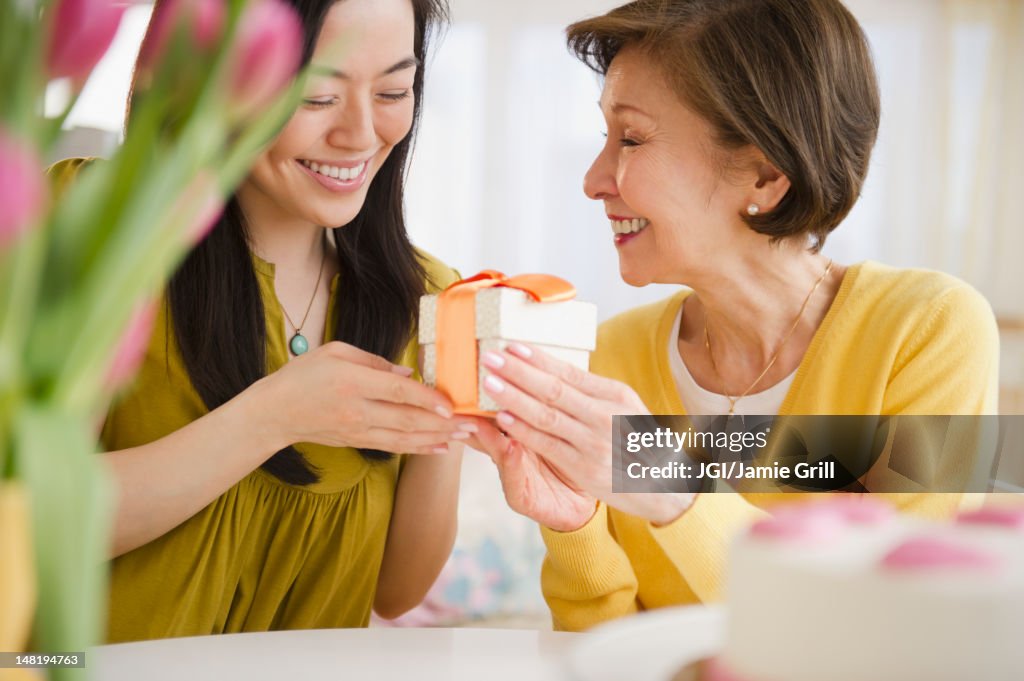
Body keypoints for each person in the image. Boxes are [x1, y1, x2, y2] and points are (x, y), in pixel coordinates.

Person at [468, 0, 999, 632]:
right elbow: (604, 646)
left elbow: (906, 628)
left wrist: (672, 490)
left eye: (632, 138)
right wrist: (573, 524)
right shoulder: (615, 353)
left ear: (766, 176)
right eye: (605, 137)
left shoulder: (928, 329)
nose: (592, 179)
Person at [48, 0, 475, 643]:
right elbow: (36, 525)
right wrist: (273, 414)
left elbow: (397, 589)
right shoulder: (101, 226)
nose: (360, 134)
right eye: (315, 97)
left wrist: (454, 419)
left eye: (393, 90)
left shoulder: (434, 299)